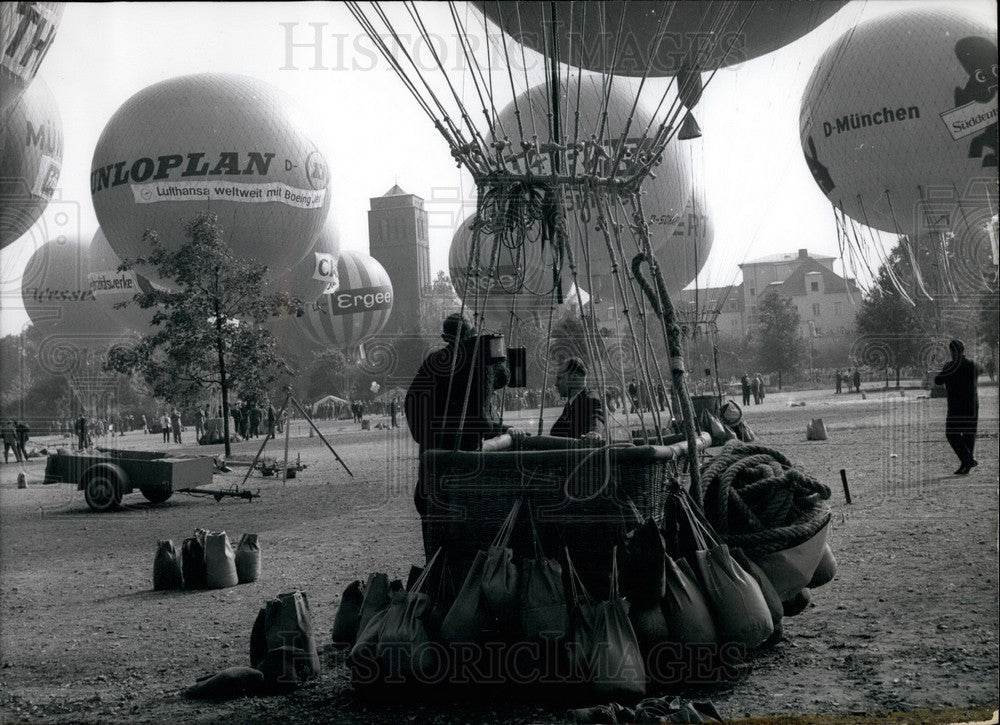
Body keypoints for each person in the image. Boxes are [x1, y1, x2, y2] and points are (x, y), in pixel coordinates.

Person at [405, 314, 512, 553]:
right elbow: (505, 378)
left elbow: (412, 400)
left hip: (438, 451)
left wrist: (426, 436)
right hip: (473, 449)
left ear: (445, 337)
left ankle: (438, 568)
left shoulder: (436, 361)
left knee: (433, 508)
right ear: (472, 334)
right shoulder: (484, 360)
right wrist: (492, 349)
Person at [934, 339, 981, 475]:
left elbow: (938, 381)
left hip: (956, 406)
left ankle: (967, 461)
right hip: (972, 405)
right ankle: (966, 463)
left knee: (951, 434)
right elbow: (980, 370)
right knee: (969, 435)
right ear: (963, 350)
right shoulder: (972, 365)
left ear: (952, 352)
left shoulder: (950, 366)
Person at [548, 357, 605, 442]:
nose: (556, 384)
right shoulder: (571, 404)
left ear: (574, 378)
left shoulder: (590, 398)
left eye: (560, 378)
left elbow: (596, 416)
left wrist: (595, 432)